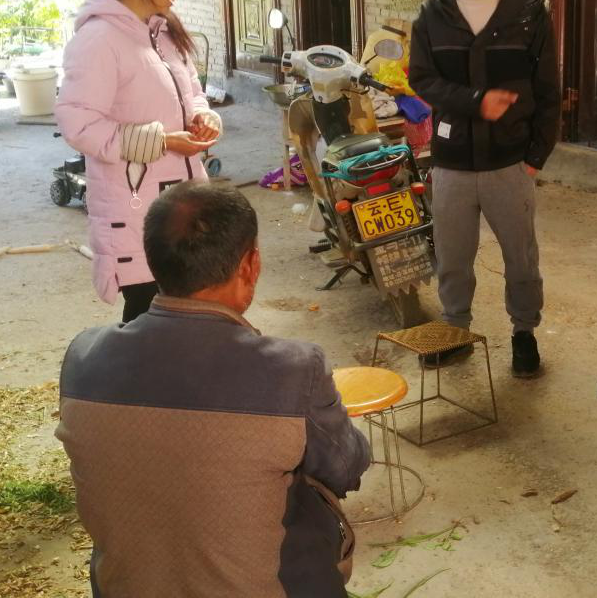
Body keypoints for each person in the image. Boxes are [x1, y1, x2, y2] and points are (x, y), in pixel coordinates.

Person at [56, 182, 371, 597]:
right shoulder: (293, 370)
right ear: (250, 264)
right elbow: (347, 469)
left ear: (154, 261)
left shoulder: (83, 358)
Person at [409, 0, 558, 376]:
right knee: (452, 256)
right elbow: (421, 78)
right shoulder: (433, 14)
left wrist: (535, 156)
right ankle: (456, 331)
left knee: (521, 257)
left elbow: (548, 88)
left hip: (509, 160)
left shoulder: (527, 12)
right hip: (452, 159)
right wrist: (475, 101)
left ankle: (524, 333)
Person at [56, 0, 222, 323]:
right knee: (148, 313)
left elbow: (193, 93)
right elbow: (78, 124)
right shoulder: (99, 40)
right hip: (136, 208)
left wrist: (205, 119)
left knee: (190, 310)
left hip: (182, 201)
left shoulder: (162, 32)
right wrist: (163, 142)